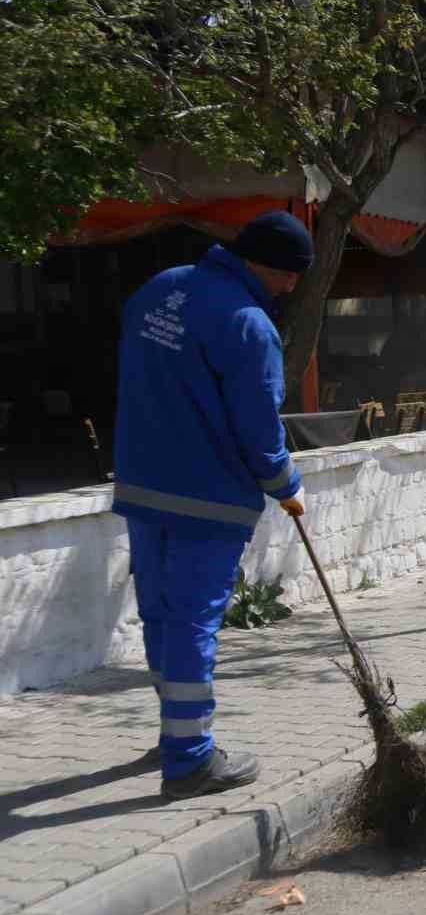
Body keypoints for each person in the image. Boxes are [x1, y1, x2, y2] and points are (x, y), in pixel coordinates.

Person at [113, 210, 312, 799]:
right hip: (209, 497)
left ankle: (172, 735)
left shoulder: (158, 291)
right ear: (265, 264)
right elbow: (258, 427)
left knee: (161, 613)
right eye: (289, 273)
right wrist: (286, 483)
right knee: (194, 621)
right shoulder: (249, 324)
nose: (293, 285)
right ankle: (190, 759)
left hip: (144, 485)